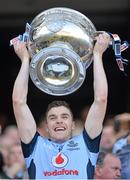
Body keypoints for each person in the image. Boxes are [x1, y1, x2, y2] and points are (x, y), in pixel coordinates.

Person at [12, 32, 110, 179]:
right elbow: (18, 102)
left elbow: (101, 99)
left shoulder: (86, 143)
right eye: (52, 118)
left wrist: (98, 55)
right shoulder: (35, 146)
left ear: (72, 125)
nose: (59, 120)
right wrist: (25, 60)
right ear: (46, 126)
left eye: (64, 117)